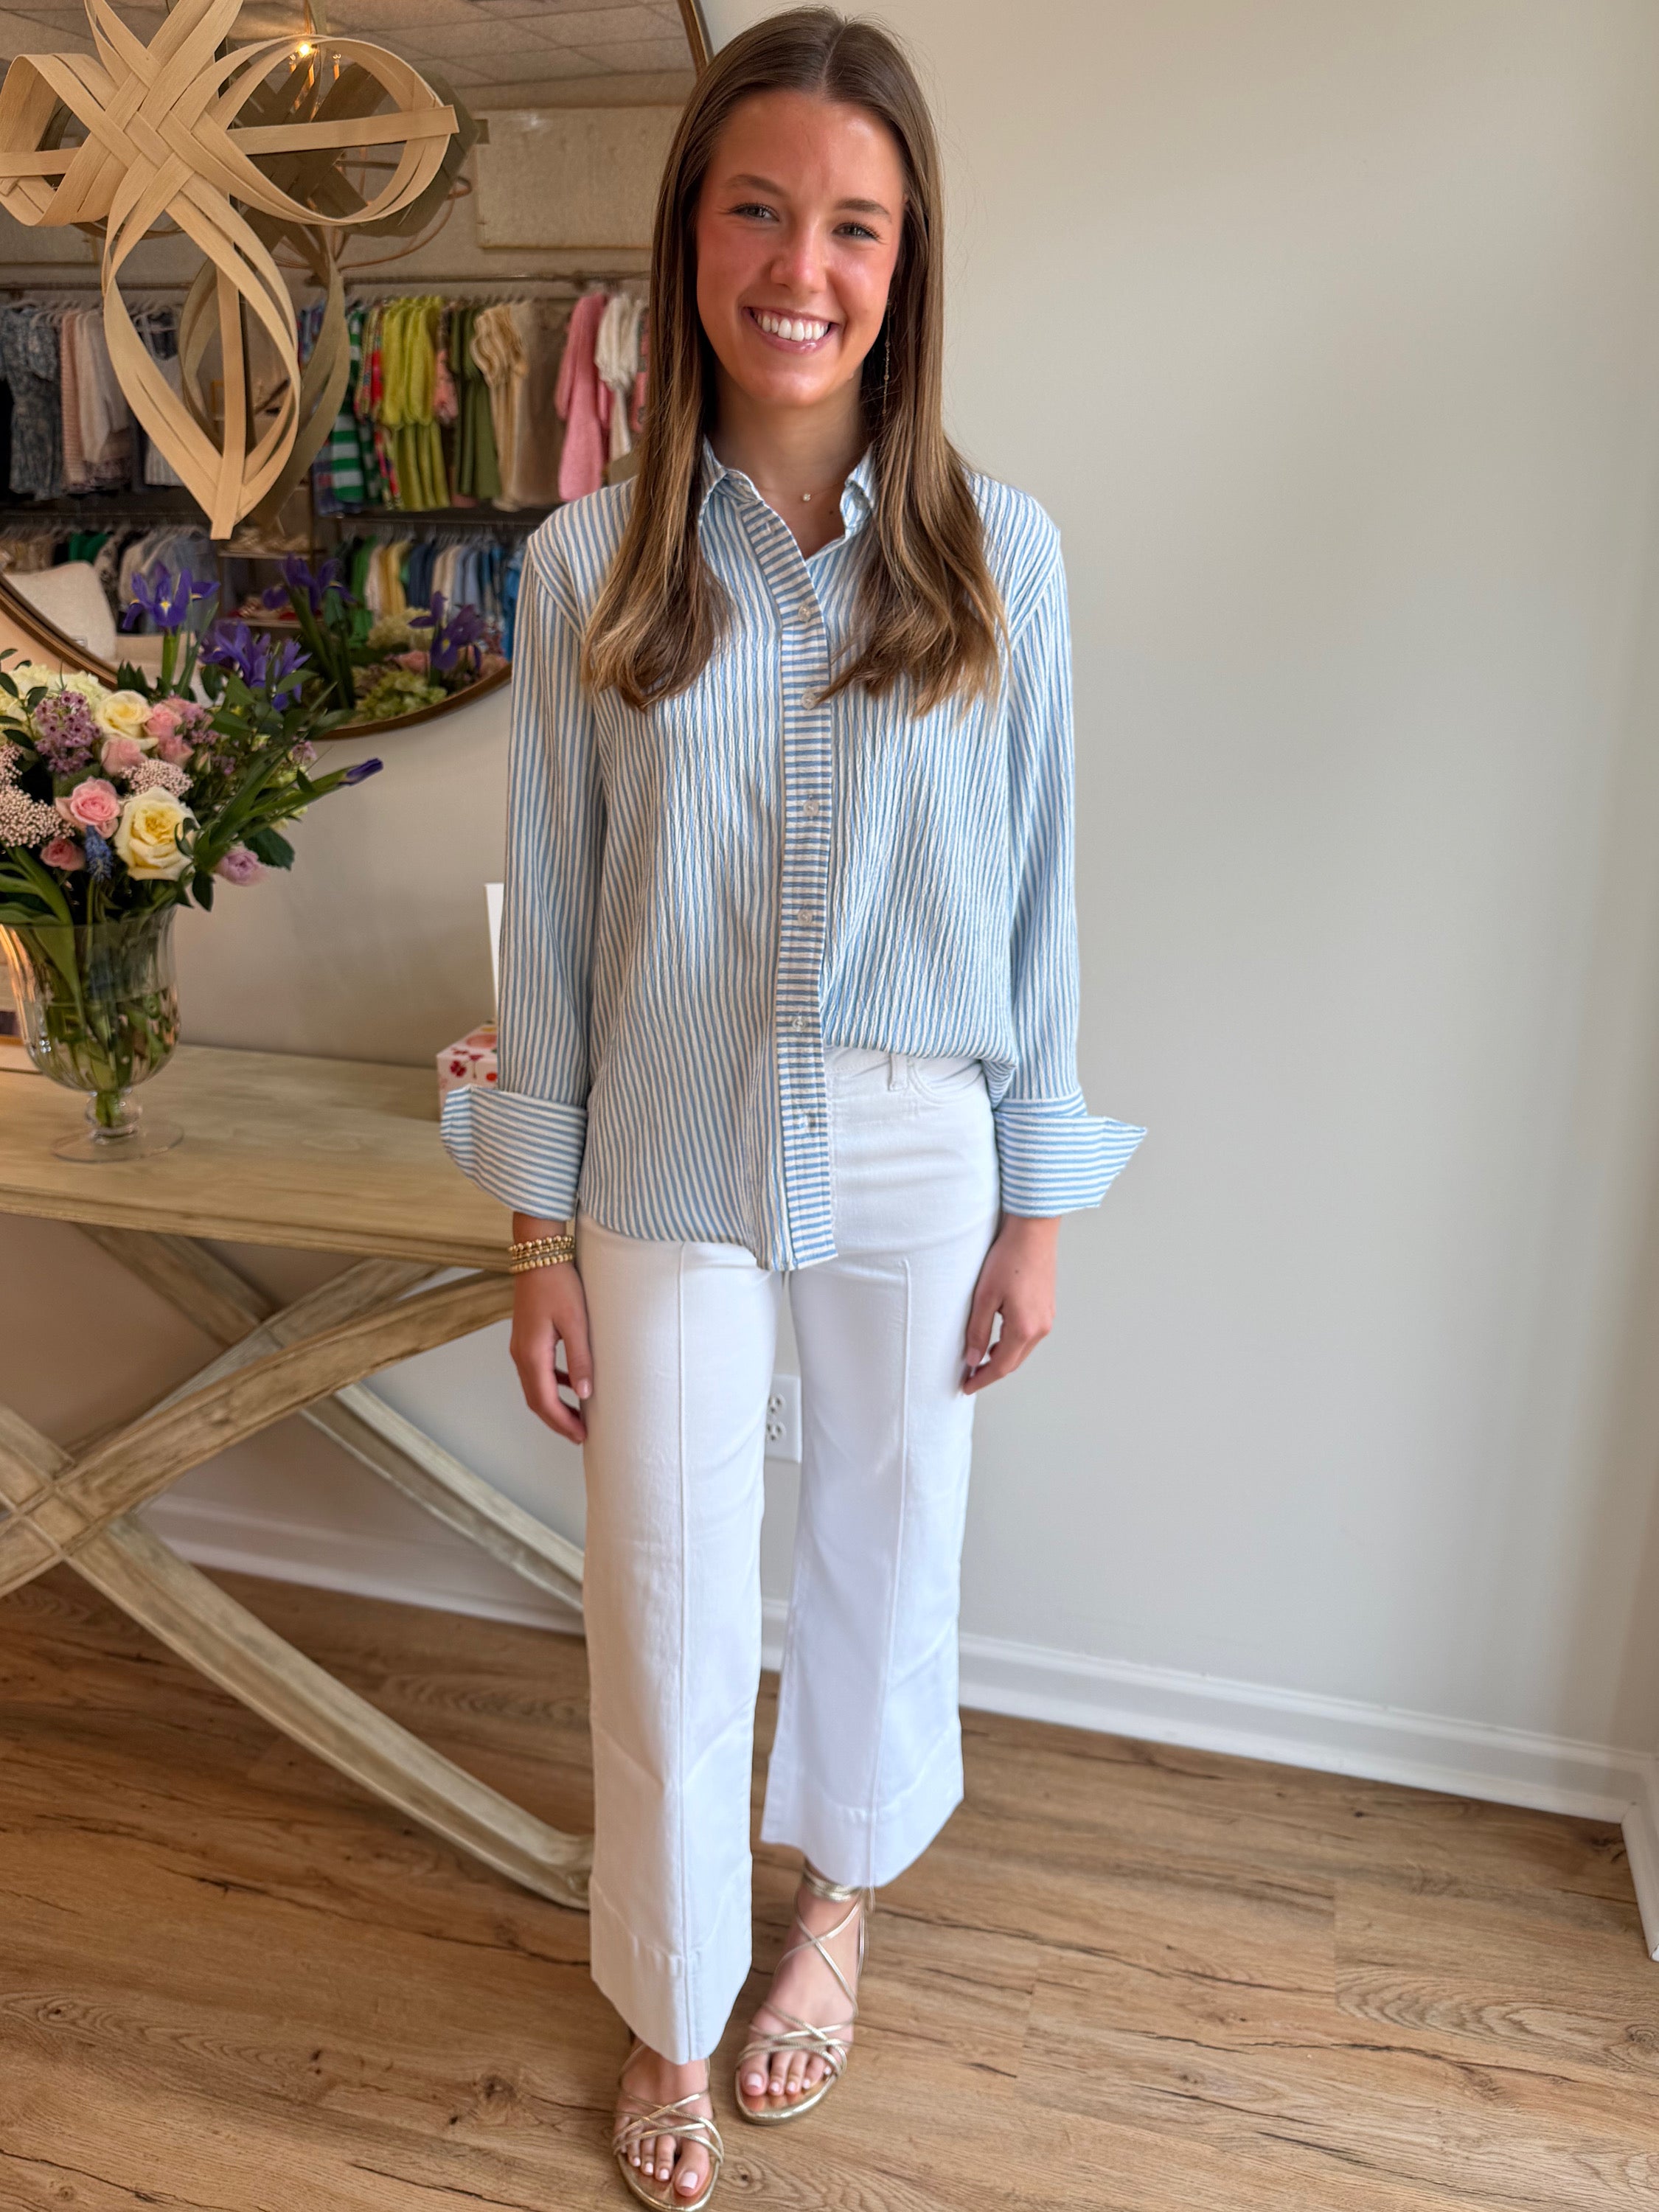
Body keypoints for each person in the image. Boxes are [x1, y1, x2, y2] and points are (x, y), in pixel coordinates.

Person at [440, 10, 1144, 2205]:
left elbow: (1038, 903)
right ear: (690, 237)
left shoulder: (1001, 555)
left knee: (886, 1535)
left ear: (905, 259)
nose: (800, 267)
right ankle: (669, 1994)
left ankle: (832, 1906)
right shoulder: (586, 568)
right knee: (662, 1580)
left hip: (926, 1140)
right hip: (660, 1145)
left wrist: (1038, 1203)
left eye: (851, 223)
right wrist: (537, 1237)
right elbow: (551, 924)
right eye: (758, 209)